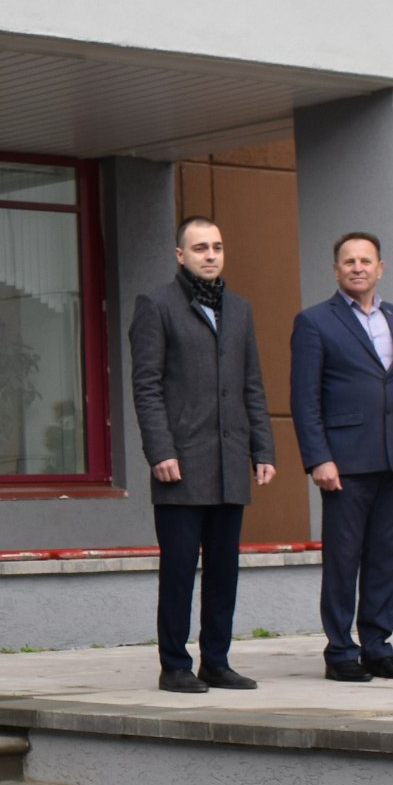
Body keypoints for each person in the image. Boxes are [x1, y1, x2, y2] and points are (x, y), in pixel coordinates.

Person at [128, 215, 276, 693]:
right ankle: (174, 665)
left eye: (216, 246)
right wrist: (160, 450)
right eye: (199, 248)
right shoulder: (157, 305)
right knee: (178, 570)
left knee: (223, 570)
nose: (210, 255)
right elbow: (146, 386)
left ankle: (216, 661)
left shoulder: (239, 308)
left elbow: (252, 383)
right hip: (181, 464)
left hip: (229, 462)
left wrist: (262, 448)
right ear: (180, 255)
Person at [290, 232, 393, 682]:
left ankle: (377, 647)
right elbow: (305, 399)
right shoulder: (315, 321)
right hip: (344, 463)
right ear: (336, 270)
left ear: (380, 268)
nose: (358, 267)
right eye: (349, 261)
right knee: (343, 560)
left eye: (366, 260)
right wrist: (318, 458)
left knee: (384, 559)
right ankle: (340, 652)